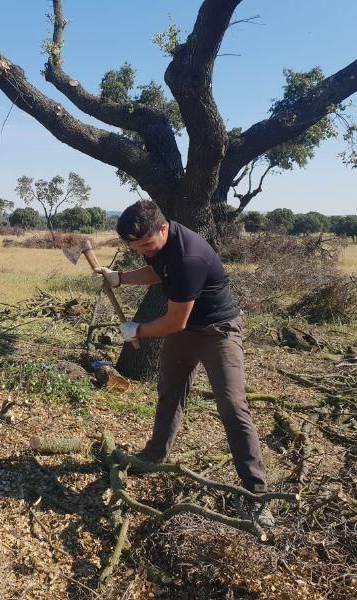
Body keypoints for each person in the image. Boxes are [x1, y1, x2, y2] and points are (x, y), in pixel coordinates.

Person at [95, 200, 273, 526]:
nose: (145, 252)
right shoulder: (159, 246)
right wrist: (119, 278)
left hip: (218, 332)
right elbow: (155, 270)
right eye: (138, 248)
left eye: (147, 245)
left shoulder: (189, 256)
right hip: (186, 330)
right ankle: (154, 455)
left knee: (233, 406)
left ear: (163, 228)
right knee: (170, 391)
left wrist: (138, 329)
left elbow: (174, 321)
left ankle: (257, 496)